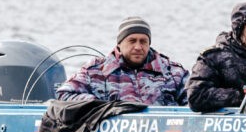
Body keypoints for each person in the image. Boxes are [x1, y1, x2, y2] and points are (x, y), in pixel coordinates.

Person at [55, 16, 188, 105]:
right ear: (119, 43)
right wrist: (99, 106)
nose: (138, 47)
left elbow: (193, 102)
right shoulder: (95, 71)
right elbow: (64, 94)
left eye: (143, 41)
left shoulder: (173, 73)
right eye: (132, 41)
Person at [187, 3, 246, 112]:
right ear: (239, 30)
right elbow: (196, 96)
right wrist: (242, 98)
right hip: (234, 118)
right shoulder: (213, 57)